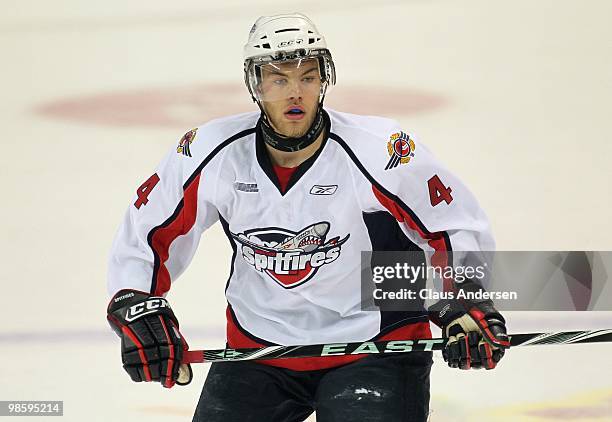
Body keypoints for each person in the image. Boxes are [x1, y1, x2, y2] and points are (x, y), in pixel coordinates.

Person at [106, 13, 509, 421]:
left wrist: (464, 298)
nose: (295, 93)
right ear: (256, 84)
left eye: (308, 76)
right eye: (279, 79)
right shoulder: (211, 152)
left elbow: (453, 226)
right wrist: (136, 302)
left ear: (323, 80)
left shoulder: (380, 149)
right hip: (257, 348)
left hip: (375, 347)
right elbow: (148, 231)